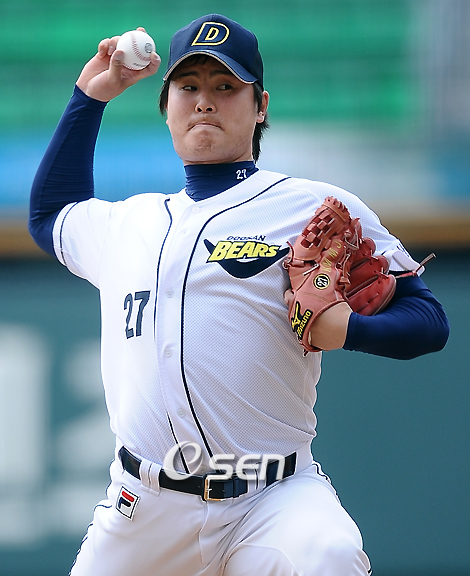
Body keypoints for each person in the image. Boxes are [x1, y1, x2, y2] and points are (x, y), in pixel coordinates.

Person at [29, 14, 449, 576]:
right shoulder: (129, 224)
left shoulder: (310, 206)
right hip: (145, 508)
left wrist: (348, 329)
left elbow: (429, 319)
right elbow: (50, 215)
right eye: (189, 86)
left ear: (261, 106)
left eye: (226, 86)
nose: (205, 101)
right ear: (166, 106)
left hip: (272, 499)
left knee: (329, 554)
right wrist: (90, 97)